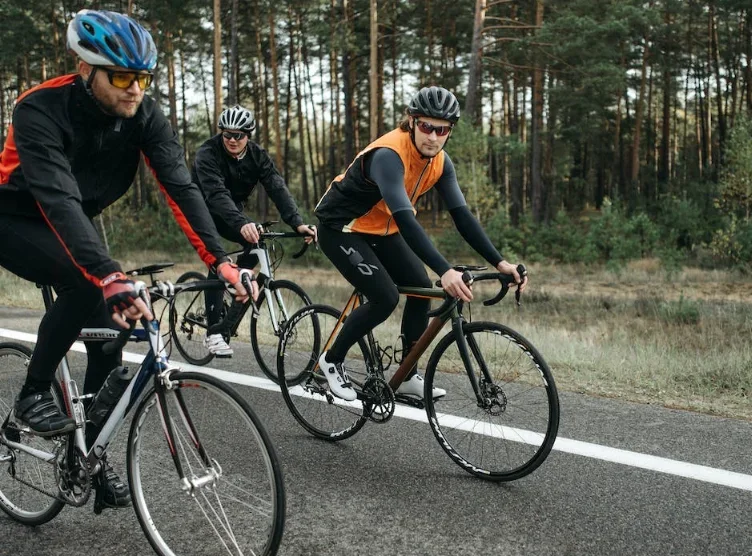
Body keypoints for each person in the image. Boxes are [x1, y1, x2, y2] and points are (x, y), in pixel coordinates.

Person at [0, 10, 256, 509]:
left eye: (143, 77)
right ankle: (32, 393)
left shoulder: (144, 116)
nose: (134, 89)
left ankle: (87, 456)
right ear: (85, 68)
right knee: (85, 281)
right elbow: (57, 199)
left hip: (76, 221)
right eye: (121, 77)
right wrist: (108, 274)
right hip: (16, 217)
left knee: (113, 332)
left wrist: (222, 263)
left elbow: (181, 189)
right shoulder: (38, 109)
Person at [314, 86, 526, 402]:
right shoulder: (389, 155)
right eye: (426, 126)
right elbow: (406, 219)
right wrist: (445, 269)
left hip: (380, 229)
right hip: (341, 228)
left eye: (442, 130)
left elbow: (462, 217)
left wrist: (500, 263)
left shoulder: (441, 162)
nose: (433, 136)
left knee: (418, 287)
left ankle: (408, 372)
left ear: (450, 131)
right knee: (384, 296)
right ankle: (331, 361)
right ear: (411, 121)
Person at [191, 105, 317, 357]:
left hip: (231, 211)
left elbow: (276, 187)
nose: (232, 140)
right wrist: (241, 223)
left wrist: (297, 222)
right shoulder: (208, 153)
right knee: (218, 258)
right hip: (201, 208)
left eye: (239, 135)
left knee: (256, 243)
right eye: (227, 134)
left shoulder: (257, 155)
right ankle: (213, 332)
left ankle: (234, 284)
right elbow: (216, 194)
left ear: (249, 134)